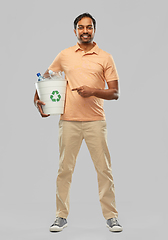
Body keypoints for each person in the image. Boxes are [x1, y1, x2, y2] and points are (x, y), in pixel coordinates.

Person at [34, 12, 123, 233]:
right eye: (81, 27)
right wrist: (37, 98)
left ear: (94, 30)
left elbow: (115, 93)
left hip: (95, 122)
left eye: (89, 27)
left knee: (104, 170)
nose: (85, 31)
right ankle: (60, 216)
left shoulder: (105, 57)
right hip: (69, 122)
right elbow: (45, 78)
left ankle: (111, 216)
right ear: (75, 31)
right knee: (65, 170)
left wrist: (92, 91)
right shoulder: (64, 55)